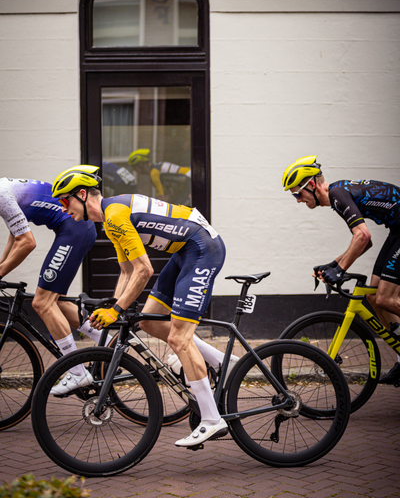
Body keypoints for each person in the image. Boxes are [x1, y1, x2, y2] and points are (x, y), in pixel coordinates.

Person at [52, 165, 238, 447]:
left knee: (179, 337)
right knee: (149, 322)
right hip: (185, 250)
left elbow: (143, 271)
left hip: (202, 248)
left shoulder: (114, 216)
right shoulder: (110, 217)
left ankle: (212, 420)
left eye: (65, 201)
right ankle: (224, 364)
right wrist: (114, 307)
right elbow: (127, 272)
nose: (64, 209)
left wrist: (115, 311)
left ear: (81, 194)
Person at [282, 155, 400, 385]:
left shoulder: (337, 195)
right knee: (374, 296)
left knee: (386, 298)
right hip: (397, 230)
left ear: (312, 185)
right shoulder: (339, 194)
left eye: (298, 193)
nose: (297, 200)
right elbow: (364, 242)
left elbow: (363, 236)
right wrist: (334, 265)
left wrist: (340, 268)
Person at [0, 175, 110, 395]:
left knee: (42, 303)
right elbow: (15, 235)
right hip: (78, 228)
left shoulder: (2, 196)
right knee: (55, 300)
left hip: (75, 228)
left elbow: (28, 243)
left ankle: (78, 373)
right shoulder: (4, 188)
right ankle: (107, 342)